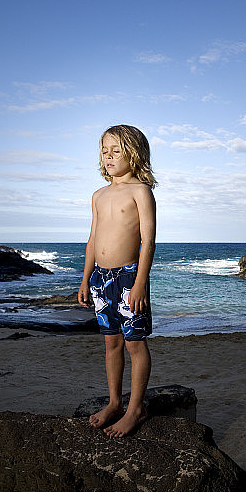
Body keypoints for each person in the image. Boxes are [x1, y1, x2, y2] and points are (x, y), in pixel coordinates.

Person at [78, 124, 157, 438]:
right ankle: (114, 403)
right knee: (111, 342)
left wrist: (139, 283)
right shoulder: (98, 195)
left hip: (128, 276)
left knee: (134, 343)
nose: (108, 157)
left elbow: (148, 241)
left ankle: (135, 410)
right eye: (104, 151)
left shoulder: (140, 191)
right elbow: (92, 239)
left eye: (116, 151)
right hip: (101, 278)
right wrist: (85, 279)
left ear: (133, 155)